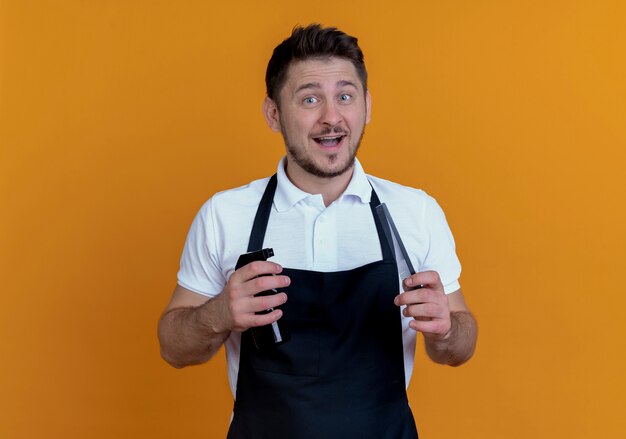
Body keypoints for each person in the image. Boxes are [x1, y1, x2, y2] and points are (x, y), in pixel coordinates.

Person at [158, 24, 477, 439]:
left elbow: (460, 347)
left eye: (345, 96)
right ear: (274, 114)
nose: (331, 117)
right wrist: (220, 313)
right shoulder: (226, 215)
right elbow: (173, 348)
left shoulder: (415, 211)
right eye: (310, 99)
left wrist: (448, 329)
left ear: (367, 105)